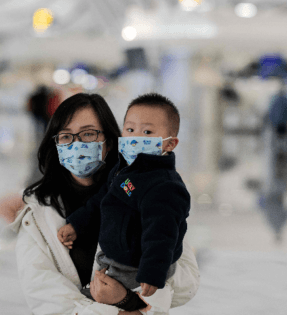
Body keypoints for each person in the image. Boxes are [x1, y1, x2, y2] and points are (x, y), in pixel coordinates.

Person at [0, 93, 199, 315]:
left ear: (109, 141)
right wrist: (125, 309)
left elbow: (185, 281)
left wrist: (128, 298)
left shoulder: (147, 188)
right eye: (65, 136)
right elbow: (50, 301)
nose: (77, 144)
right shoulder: (37, 214)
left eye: (88, 133)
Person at [57, 93, 189, 313]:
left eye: (147, 132)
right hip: (118, 258)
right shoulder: (124, 169)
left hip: (136, 267)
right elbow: (102, 200)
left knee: (95, 302)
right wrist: (76, 224)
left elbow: (162, 233)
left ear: (170, 143)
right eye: (130, 130)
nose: (135, 137)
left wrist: (152, 272)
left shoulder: (164, 186)